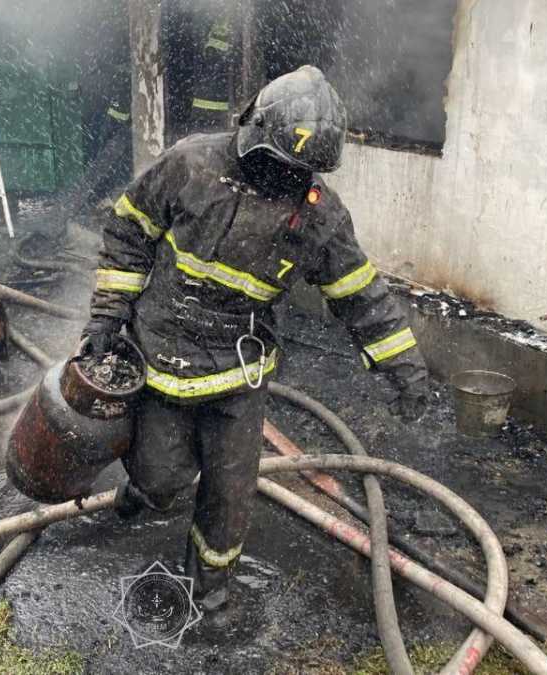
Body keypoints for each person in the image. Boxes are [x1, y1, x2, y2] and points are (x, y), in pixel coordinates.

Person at [81, 65, 428, 619]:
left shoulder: (319, 215)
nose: (285, 180)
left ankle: (211, 588)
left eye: (300, 171)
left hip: (239, 374)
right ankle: (142, 494)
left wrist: (404, 365)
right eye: (275, 165)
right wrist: (105, 318)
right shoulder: (192, 163)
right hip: (163, 357)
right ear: (251, 135)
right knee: (163, 477)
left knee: (229, 492)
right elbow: (129, 231)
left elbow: (358, 291)